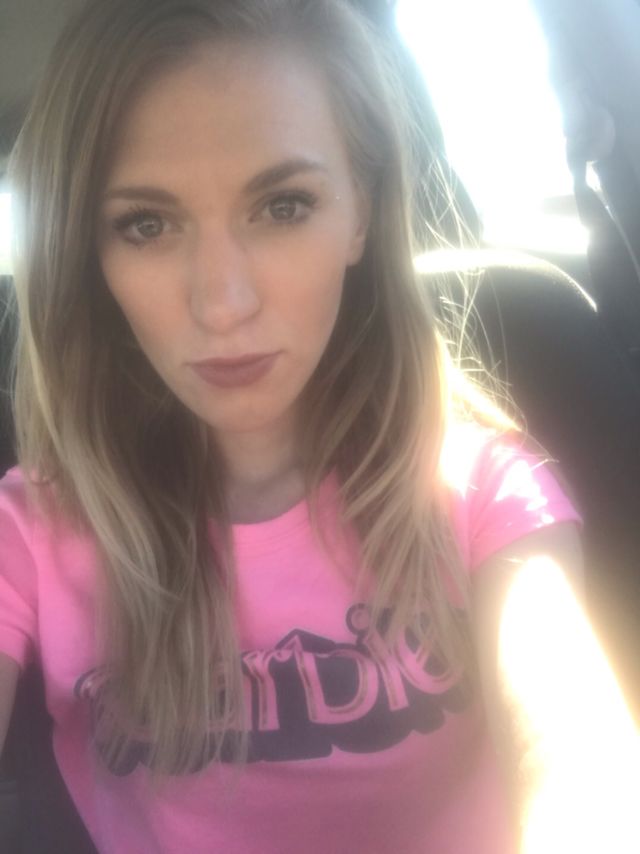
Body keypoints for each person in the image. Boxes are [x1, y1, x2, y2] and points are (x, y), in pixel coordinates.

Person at [0, 1, 638, 852]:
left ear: (360, 213)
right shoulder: (31, 535)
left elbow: (581, 768)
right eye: (146, 225)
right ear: (91, 253)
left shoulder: (479, 488)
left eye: (283, 206)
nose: (223, 303)